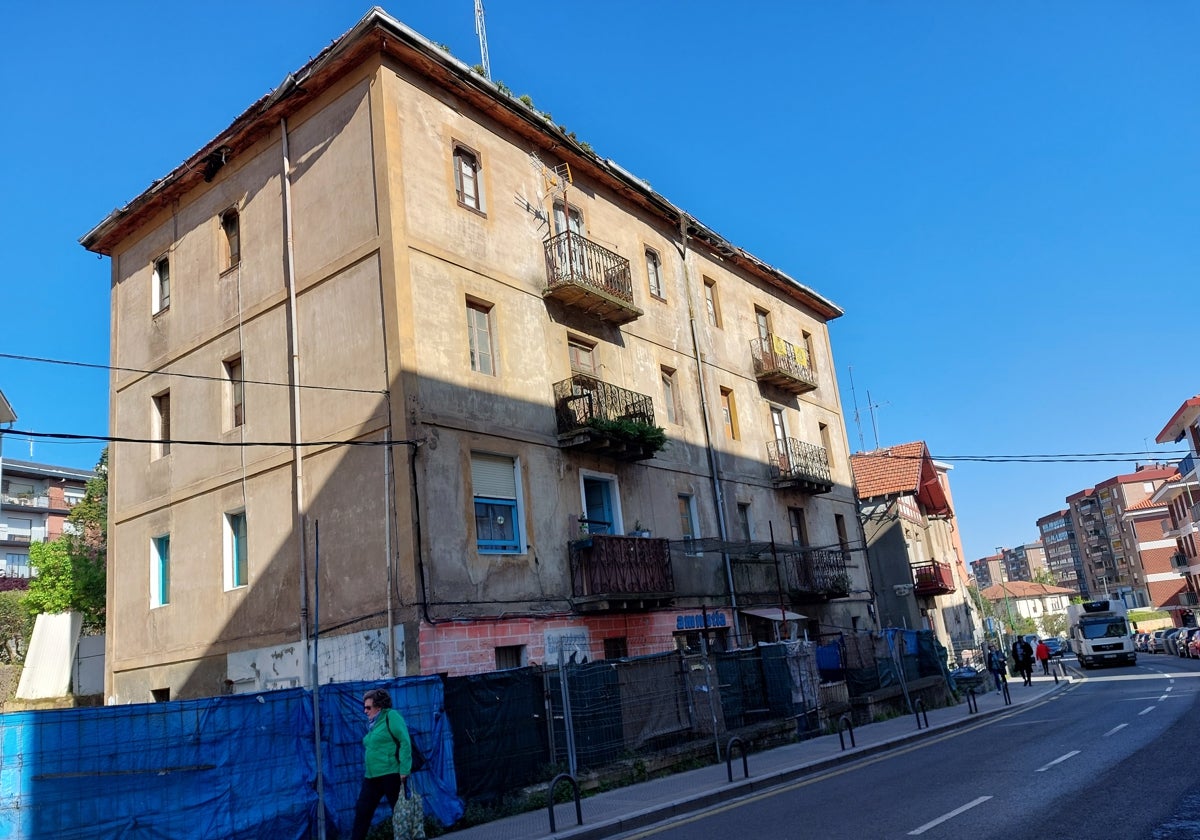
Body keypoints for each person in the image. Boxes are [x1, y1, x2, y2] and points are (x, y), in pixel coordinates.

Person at [351, 688, 412, 840]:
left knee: (400, 814)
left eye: (368, 707)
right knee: (362, 812)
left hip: (391, 774)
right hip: (371, 777)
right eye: (364, 707)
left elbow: (405, 741)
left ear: (379, 707)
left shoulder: (391, 716)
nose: (365, 711)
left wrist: (404, 770)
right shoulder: (373, 725)